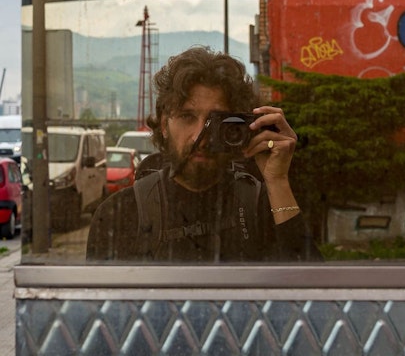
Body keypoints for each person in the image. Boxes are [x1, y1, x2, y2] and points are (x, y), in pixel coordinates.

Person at [87, 46, 322, 262]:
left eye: (215, 121)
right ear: (164, 125)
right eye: (187, 117)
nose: (200, 136)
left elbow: (310, 286)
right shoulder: (121, 214)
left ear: (235, 128)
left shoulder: (262, 205)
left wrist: (278, 181)